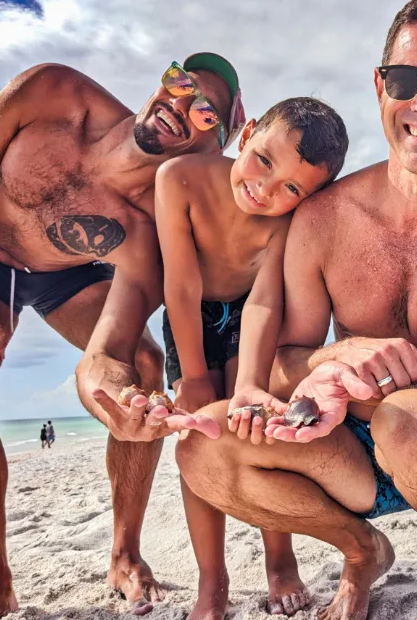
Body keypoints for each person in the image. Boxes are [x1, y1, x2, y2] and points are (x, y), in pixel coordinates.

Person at [175, 0, 417, 620]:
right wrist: (334, 356)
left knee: (411, 422)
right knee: (202, 453)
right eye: (407, 79)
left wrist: (328, 379)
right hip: (345, 440)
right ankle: (361, 552)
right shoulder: (323, 216)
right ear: (381, 86)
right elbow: (281, 363)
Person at [0, 51, 242, 620]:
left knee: (144, 368)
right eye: (180, 81)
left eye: (204, 112)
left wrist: (113, 401)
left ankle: (124, 554)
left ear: (211, 146)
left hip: (68, 272)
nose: (181, 103)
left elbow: (109, 352)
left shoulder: (147, 224)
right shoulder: (54, 93)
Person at [156, 97, 348, 617]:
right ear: (247, 137)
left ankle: (280, 560)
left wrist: (249, 384)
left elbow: (265, 300)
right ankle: (211, 579)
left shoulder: (285, 222)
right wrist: (194, 374)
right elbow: (179, 282)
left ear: (308, 198)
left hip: (251, 314)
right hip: (188, 308)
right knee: (196, 432)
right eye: (264, 160)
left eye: (291, 188)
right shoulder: (180, 177)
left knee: (251, 422)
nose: (265, 189)